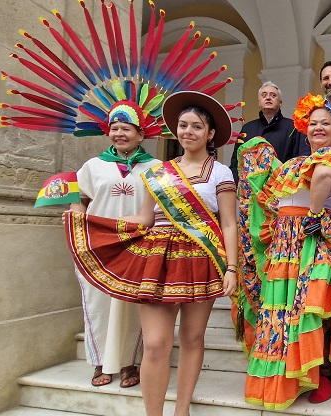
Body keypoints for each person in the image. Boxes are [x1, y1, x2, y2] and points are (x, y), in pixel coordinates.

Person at [65, 91, 238, 416]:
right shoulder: (157, 173)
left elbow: (229, 223)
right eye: (183, 125)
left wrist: (231, 267)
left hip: (202, 259)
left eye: (196, 127)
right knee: (157, 343)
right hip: (158, 259)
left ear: (210, 133)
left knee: (191, 338)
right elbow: (144, 220)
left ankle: (181, 409)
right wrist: (91, 222)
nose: (188, 132)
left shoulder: (220, 173)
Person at [240, 93, 331, 409]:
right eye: (313, 123)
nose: (319, 128)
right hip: (286, 244)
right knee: (290, 312)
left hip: (320, 237)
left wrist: (313, 212)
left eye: (326, 123)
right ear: (304, 130)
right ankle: (299, 374)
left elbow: (323, 176)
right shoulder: (293, 164)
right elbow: (269, 203)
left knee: (317, 305)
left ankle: (325, 372)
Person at [71, 101, 161, 388]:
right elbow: (79, 200)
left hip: (139, 246)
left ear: (140, 133)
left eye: (126, 129)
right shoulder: (92, 166)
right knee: (99, 304)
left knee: (132, 305)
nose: (119, 134)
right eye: (114, 128)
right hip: (98, 247)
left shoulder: (156, 167)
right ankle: (100, 362)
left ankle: (128, 364)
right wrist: (78, 228)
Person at [229, 81, 302, 180]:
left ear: (280, 103)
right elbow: (236, 163)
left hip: (281, 187)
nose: (268, 98)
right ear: (259, 102)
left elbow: (299, 160)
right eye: (264, 95)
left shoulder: (293, 127)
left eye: (273, 95)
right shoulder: (247, 128)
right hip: (249, 190)